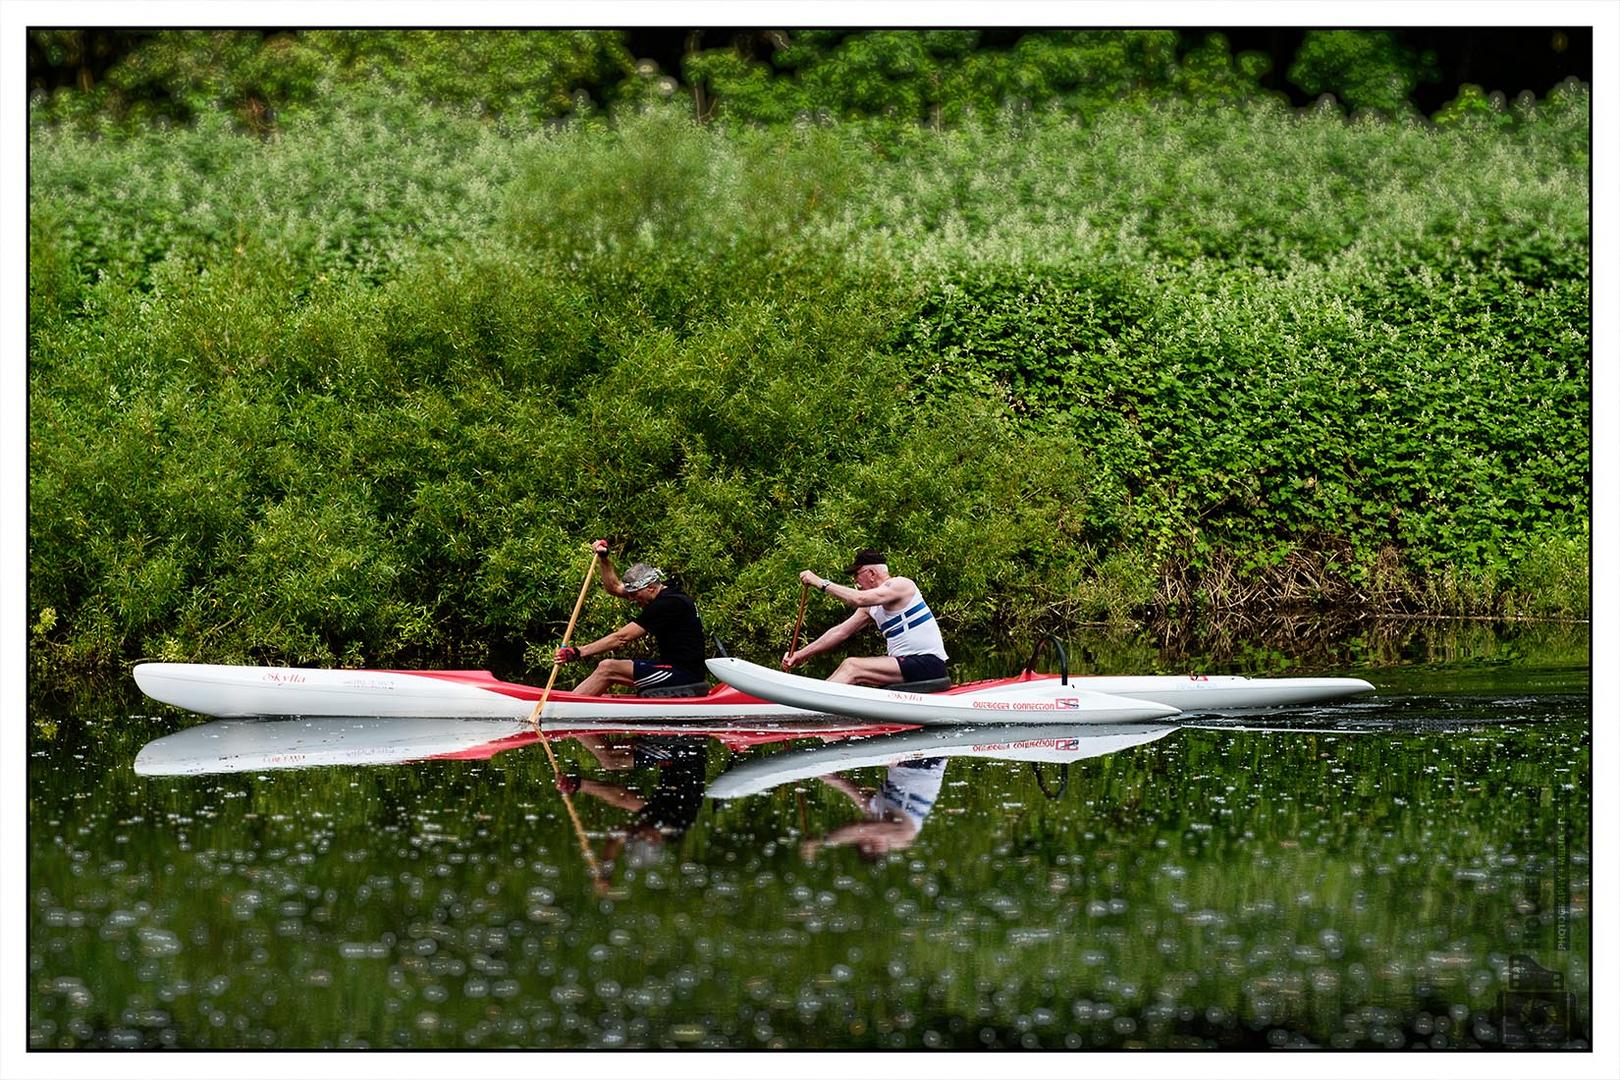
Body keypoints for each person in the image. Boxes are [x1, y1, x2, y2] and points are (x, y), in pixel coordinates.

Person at [553, 540, 707, 695]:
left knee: (607, 668)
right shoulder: (664, 591)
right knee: (607, 673)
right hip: (672, 668)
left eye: (635, 595)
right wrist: (604, 558)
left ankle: (567, 707)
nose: (632, 599)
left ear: (650, 588)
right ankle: (576, 702)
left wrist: (578, 652)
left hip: (683, 674)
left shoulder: (667, 604)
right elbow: (614, 587)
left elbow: (621, 638)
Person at [781, 548, 948, 686]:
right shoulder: (870, 607)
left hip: (928, 663)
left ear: (872, 573)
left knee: (852, 666)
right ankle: (813, 703)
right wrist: (800, 655)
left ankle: (811, 708)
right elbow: (839, 632)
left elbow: (857, 599)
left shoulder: (901, 585)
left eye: (857, 575)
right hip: (907, 665)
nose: (856, 582)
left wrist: (819, 582)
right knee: (850, 669)